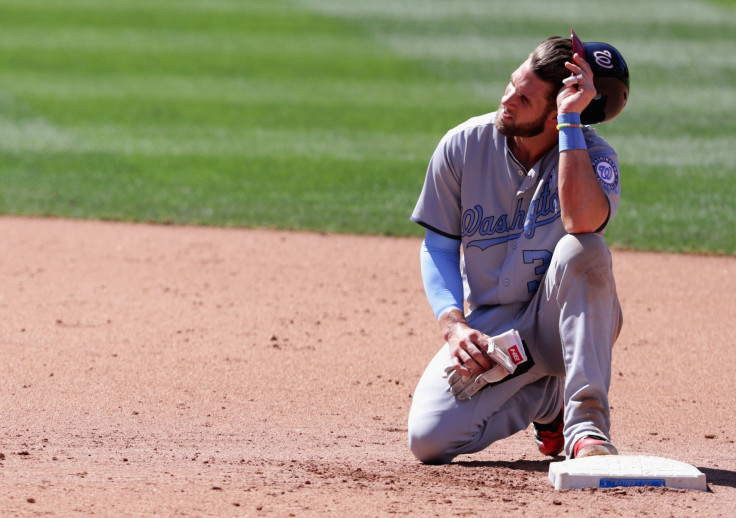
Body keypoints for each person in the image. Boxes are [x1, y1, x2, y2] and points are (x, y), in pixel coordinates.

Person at [407, 34, 629, 463]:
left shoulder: (595, 157)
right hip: (496, 329)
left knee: (583, 250)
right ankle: (549, 404)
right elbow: (438, 244)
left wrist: (570, 125)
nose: (506, 99)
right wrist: (454, 325)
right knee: (428, 440)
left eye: (525, 99)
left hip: (565, 323)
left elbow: (583, 224)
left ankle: (586, 428)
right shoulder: (463, 145)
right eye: (513, 83)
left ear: (555, 114)